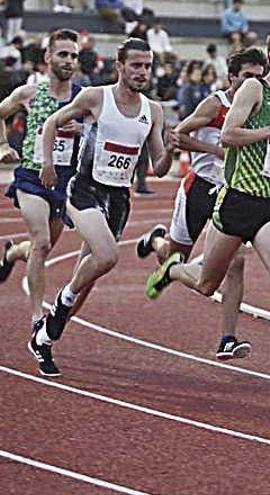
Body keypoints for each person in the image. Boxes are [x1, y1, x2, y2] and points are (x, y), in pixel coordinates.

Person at [145, 23, 270, 392]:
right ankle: (173, 269)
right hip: (236, 200)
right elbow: (229, 135)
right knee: (207, 284)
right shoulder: (255, 88)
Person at [29, 38, 176, 377]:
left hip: (118, 199)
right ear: (119, 67)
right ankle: (60, 304)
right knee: (107, 256)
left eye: (147, 66)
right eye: (136, 65)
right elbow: (52, 123)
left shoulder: (152, 111)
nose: (142, 72)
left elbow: (160, 166)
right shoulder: (96, 97)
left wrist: (168, 147)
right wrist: (48, 164)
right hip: (85, 189)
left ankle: (45, 338)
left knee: (88, 280)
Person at [136, 47, 268, 359]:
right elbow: (178, 134)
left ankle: (228, 338)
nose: (254, 83)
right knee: (172, 257)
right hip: (200, 188)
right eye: (248, 76)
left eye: (259, 78)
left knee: (236, 263)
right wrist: (215, 151)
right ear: (231, 77)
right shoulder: (215, 104)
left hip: (233, 193)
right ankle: (155, 242)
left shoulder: (261, 108)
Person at [0, 29, 83, 332]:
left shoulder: (84, 99)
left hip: (63, 184)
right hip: (31, 179)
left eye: (73, 55)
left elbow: (101, 135)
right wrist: (4, 145)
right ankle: (37, 318)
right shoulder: (29, 93)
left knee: (39, 248)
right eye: (63, 54)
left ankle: (12, 253)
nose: (69, 61)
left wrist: (83, 131)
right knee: (43, 242)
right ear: (48, 57)